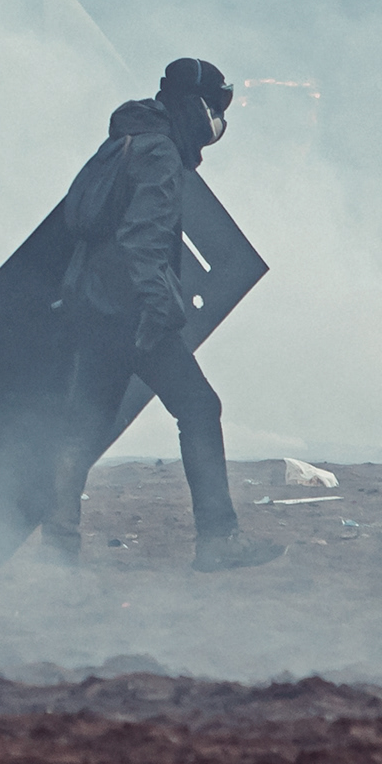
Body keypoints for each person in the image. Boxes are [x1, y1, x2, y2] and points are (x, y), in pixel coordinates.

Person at [42, 57, 278, 572]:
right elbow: (142, 241)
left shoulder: (127, 139)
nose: (218, 121)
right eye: (215, 108)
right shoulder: (159, 154)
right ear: (194, 107)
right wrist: (158, 310)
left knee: (84, 421)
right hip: (130, 310)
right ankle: (218, 539)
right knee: (199, 408)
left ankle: (56, 545)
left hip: (96, 304)